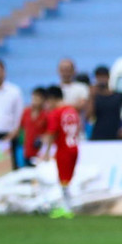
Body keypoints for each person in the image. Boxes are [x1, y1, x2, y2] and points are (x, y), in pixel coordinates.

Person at [41, 85, 80, 219]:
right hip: (74, 147)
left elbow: (52, 132)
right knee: (68, 179)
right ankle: (67, 206)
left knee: (63, 180)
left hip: (63, 149)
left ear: (52, 99)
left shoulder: (55, 113)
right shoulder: (72, 110)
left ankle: (67, 208)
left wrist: (46, 152)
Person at [88, 66, 122, 140]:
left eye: (104, 76)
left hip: (116, 135)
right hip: (98, 136)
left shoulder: (118, 96)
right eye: (99, 77)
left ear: (108, 77)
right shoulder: (94, 97)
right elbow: (89, 117)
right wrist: (91, 97)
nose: (101, 79)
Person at [20, 87, 48, 166]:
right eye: (33, 97)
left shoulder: (46, 115)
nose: (34, 100)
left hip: (40, 152)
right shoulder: (26, 112)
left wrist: (42, 138)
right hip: (27, 151)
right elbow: (21, 129)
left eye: (37, 98)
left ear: (43, 100)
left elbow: (50, 133)